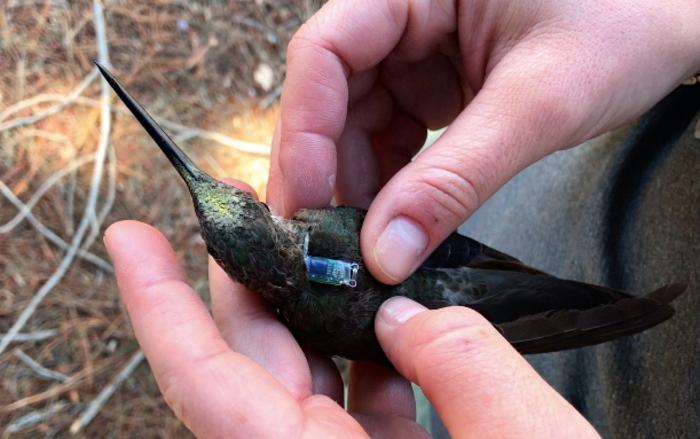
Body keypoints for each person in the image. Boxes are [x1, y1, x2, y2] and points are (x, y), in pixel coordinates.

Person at [104, 1, 700, 437]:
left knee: (532, 296)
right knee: (529, 301)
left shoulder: (300, 318)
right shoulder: (317, 228)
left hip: (456, 291)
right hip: (456, 304)